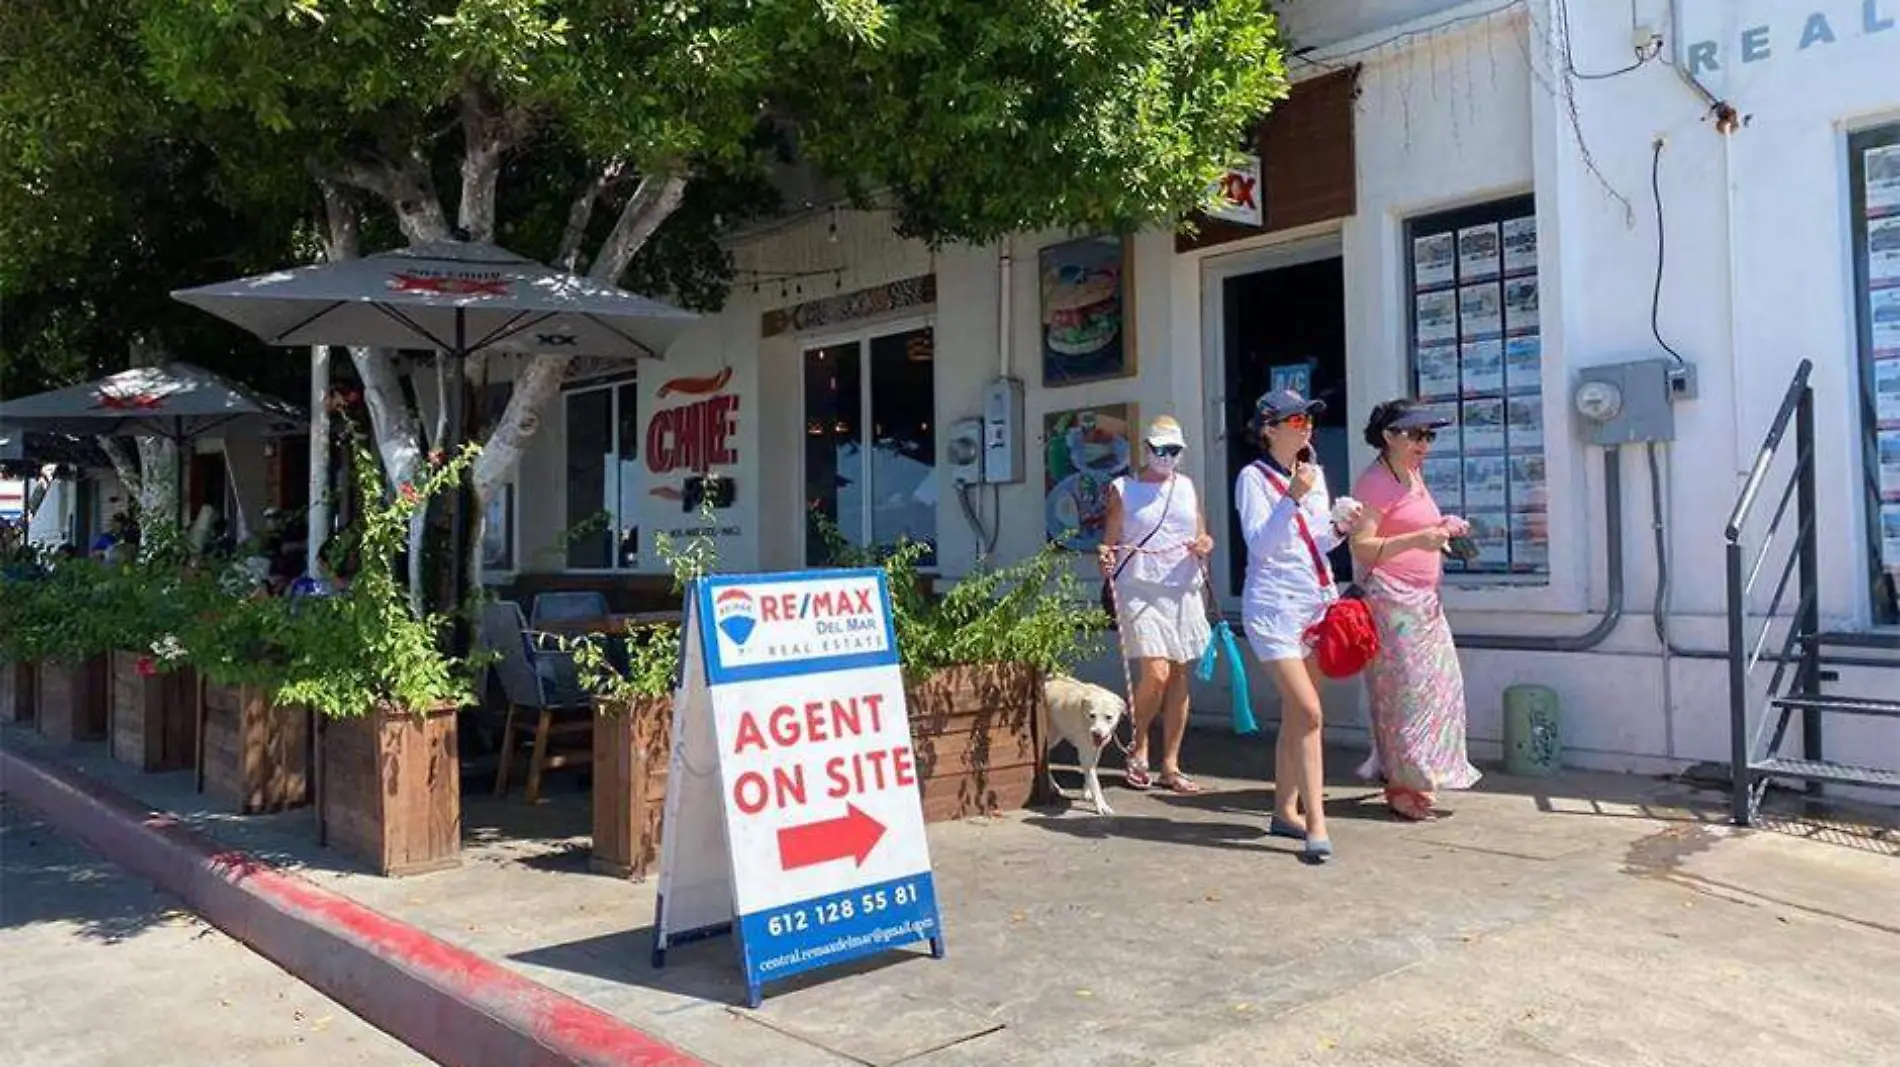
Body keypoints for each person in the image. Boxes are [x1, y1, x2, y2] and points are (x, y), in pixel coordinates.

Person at [1235, 390, 1362, 864]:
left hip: (1313, 603)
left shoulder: (1314, 474)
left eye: (1307, 417)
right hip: (1272, 608)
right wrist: (1292, 497)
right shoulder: (1253, 478)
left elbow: (1317, 542)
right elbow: (1262, 546)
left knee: (1297, 714)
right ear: (1268, 428)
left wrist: (1342, 526)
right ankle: (1316, 824)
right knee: (1309, 713)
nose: (1305, 425)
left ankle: (1284, 810)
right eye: (1293, 418)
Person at [1348, 399, 1482, 821]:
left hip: (1426, 600)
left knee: (1440, 688)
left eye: (1430, 435)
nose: (1424, 443)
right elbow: (1363, 546)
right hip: (1391, 599)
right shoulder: (1374, 482)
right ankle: (1401, 785)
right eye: (1416, 434)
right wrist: (1419, 539)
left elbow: (1415, 525)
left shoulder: (1411, 473)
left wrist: (1445, 528)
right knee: (1404, 693)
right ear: (1389, 436)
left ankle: (1419, 775)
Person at [1097, 415, 1216, 794]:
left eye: (1174, 451)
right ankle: (1138, 743)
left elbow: (1201, 533)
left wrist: (1204, 545)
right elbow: (1109, 540)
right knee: (1158, 673)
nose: (1167, 457)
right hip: (1140, 586)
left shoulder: (1186, 486)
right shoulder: (1123, 488)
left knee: (1180, 676)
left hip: (1182, 588)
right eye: (1160, 450)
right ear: (1146, 449)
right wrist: (1104, 557)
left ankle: (1170, 764)